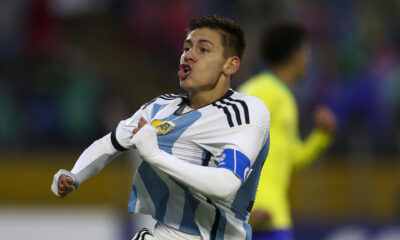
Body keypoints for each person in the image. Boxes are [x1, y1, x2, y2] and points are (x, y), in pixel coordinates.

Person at [51, 15, 271, 240]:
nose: (189, 55)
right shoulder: (160, 108)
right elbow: (109, 144)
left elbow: (227, 184)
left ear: (230, 64)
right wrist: (75, 175)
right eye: (187, 47)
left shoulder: (246, 111)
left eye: (204, 49)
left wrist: (155, 154)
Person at [237, 21, 337, 240]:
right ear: (296, 54)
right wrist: (244, 208)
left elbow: (293, 158)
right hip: (255, 218)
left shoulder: (285, 96)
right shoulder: (261, 89)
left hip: (274, 217)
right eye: (307, 52)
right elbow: (228, 142)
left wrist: (322, 136)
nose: (308, 60)